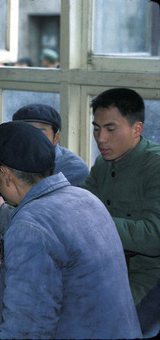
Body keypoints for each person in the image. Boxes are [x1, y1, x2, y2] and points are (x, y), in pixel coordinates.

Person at [0, 121, 141, 339]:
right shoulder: (86, 199)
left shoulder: (30, 227)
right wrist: (4, 215)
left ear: (5, 174)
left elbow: (27, 328)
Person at [80, 87, 160, 304]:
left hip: (147, 280)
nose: (101, 139)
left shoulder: (155, 166)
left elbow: (155, 236)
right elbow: (79, 205)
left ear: (137, 129)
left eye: (110, 129)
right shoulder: (102, 164)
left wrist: (97, 222)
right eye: (96, 129)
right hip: (103, 270)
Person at [0, 104, 89, 207]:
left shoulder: (73, 168)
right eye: (24, 132)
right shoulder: (8, 158)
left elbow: (43, 205)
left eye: (39, 132)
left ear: (56, 138)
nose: (30, 138)